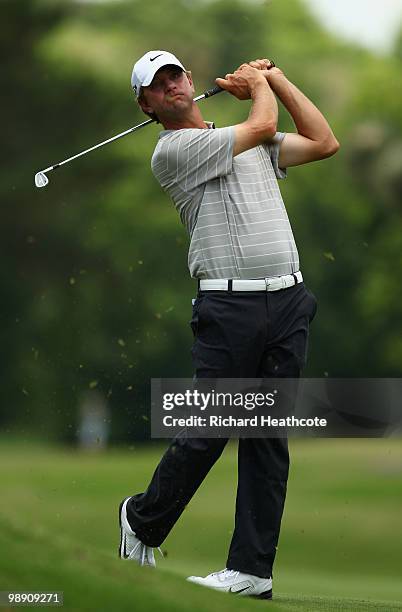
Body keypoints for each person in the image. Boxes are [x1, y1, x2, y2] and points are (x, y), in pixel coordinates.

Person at [119, 50, 339, 599]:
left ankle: (252, 572)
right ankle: (142, 520)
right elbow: (262, 123)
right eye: (158, 85)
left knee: (268, 439)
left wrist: (276, 78)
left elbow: (322, 140)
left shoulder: (247, 138)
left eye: (176, 76)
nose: (171, 87)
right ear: (146, 104)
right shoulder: (173, 150)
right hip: (229, 308)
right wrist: (256, 85)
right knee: (208, 432)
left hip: (288, 301)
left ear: (190, 81)